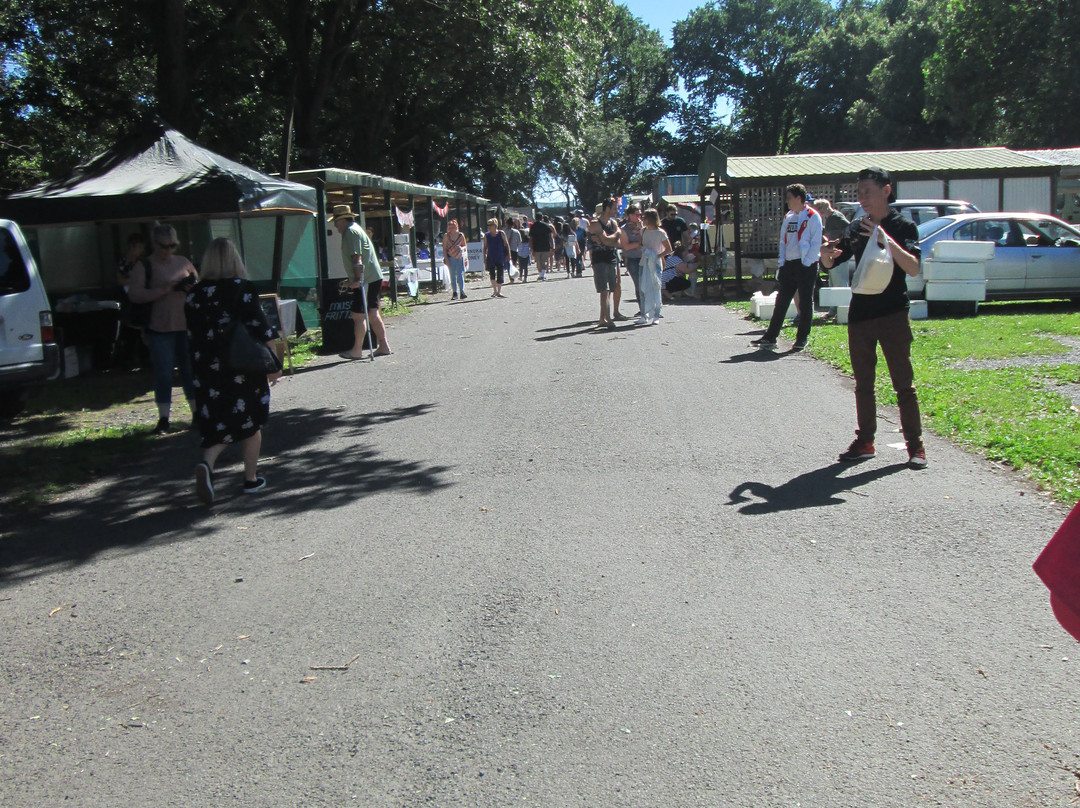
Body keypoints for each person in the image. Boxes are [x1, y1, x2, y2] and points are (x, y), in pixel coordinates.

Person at [820, 167, 926, 469]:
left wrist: (884, 239)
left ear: (886, 191)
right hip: (861, 314)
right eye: (859, 191)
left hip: (893, 313)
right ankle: (865, 441)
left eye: (867, 190)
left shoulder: (903, 226)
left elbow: (914, 267)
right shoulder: (855, 227)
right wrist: (825, 254)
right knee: (863, 383)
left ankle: (915, 446)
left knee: (903, 383)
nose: (862, 197)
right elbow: (833, 260)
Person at [186, 238, 282, 504]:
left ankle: (207, 464)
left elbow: (192, 334)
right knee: (250, 421)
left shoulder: (194, 294)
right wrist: (273, 364)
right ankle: (250, 478)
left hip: (206, 369)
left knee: (217, 421)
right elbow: (262, 328)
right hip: (243, 365)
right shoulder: (243, 289)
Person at [126, 224, 197, 434]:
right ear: (154, 245)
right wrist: (165, 290)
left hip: (185, 326)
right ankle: (164, 418)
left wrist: (189, 286)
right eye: (163, 246)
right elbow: (135, 295)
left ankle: (197, 414)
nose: (167, 250)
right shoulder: (144, 266)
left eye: (172, 246)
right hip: (159, 328)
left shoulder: (183, 262)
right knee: (164, 373)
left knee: (189, 371)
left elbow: (199, 287)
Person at [751, 183, 821, 352]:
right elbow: (784, 242)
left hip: (806, 264)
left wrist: (806, 263)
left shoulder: (812, 216)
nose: (787, 201)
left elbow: (815, 243)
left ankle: (802, 337)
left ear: (799, 198)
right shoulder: (789, 217)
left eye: (790, 197)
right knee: (781, 302)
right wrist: (782, 263)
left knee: (805, 301)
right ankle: (771, 336)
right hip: (789, 265)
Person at [333, 204, 392, 358]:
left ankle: (357, 350)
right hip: (372, 277)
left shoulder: (351, 232)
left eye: (336, 221)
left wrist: (357, 279)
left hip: (366, 279)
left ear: (343, 220)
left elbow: (356, 257)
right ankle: (383, 345)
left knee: (358, 315)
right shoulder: (355, 229)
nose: (335, 225)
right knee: (372, 312)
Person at [114, 232, 150, 371]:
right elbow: (120, 280)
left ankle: (145, 359)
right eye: (139, 247)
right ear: (132, 246)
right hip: (128, 300)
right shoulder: (123, 262)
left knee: (143, 330)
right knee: (129, 331)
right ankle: (127, 360)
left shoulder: (142, 263)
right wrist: (134, 280)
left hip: (141, 300)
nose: (140, 251)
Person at [588, 198, 626, 329]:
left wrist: (611, 238)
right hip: (600, 260)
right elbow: (606, 241)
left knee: (610, 289)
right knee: (604, 290)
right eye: (615, 208)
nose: (617, 210)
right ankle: (607, 318)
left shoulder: (613, 223)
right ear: (607, 208)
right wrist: (615, 235)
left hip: (612, 258)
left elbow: (615, 242)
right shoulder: (595, 223)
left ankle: (602, 319)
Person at [638, 208, 670, 324]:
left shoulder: (660, 232)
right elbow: (640, 244)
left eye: (645, 218)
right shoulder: (643, 231)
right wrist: (642, 249)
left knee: (656, 288)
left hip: (655, 264)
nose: (643, 220)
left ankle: (656, 314)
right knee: (642, 288)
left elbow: (668, 249)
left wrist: (657, 256)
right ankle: (644, 314)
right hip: (643, 262)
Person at [813, 198, 853, 288]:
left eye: (819, 208)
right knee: (833, 282)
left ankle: (843, 301)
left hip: (839, 253)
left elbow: (850, 227)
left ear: (825, 207)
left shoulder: (836, 217)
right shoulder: (830, 218)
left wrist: (843, 240)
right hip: (832, 254)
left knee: (840, 282)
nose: (818, 211)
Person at [621, 204, 644, 311]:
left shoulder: (644, 227)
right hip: (633, 260)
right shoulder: (624, 229)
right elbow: (626, 246)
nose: (639, 216)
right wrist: (639, 244)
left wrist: (641, 228)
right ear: (630, 215)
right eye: (636, 214)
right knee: (639, 285)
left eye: (640, 214)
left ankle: (652, 307)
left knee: (648, 284)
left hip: (646, 258)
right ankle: (643, 309)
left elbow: (649, 239)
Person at [482, 217, 511, 297]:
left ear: (495, 226)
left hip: (500, 256)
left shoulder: (501, 233)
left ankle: (499, 291)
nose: (489, 227)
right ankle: (494, 291)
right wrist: (484, 257)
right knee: (492, 274)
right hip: (491, 257)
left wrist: (509, 254)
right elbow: (485, 247)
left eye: (491, 225)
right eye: (488, 225)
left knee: (500, 274)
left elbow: (506, 244)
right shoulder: (487, 235)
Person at [442, 219, 468, 300]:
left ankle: (462, 291)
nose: (451, 228)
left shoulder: (460, 235)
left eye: (453, 226)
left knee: (460, 275)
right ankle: (455, 292)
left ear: (456, 226)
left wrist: (461, 248)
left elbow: (465, 246)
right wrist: (446, 259)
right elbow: (444, 249)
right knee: (452, 276)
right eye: (450, 226)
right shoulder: (446, 236)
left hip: (459, 257)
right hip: (450, 258)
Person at [529, 215, 554, 280]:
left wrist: (531, 248)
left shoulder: (533, 226)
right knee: (544, 261)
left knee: (538, 262)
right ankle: (542, 274)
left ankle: (541, 274)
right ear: (542, 218)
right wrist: (552, 246)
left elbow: (531, 238)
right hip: (546, 246)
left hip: (536, 247)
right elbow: (550, 237)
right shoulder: (546, 225)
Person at [505, 218, 522, 284]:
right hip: (514, 250)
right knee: (514, 263)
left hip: (506, 250)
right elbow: (519, 242)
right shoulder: (516, 232)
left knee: (508, 264)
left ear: (506, 224)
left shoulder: (504, 232)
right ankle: (513, 276)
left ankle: (511, 278)